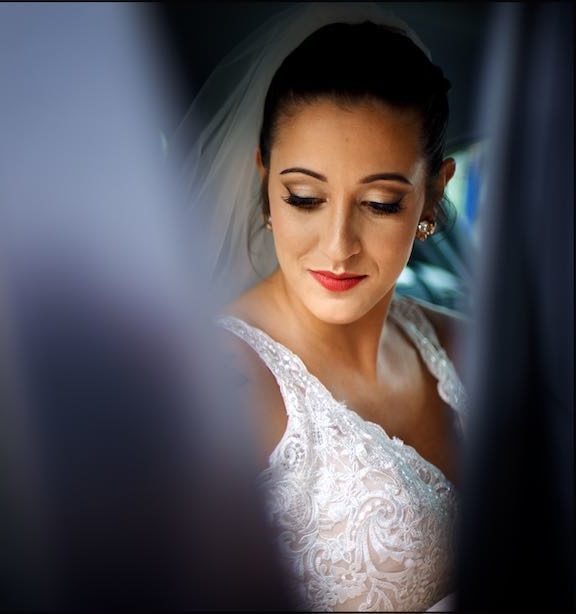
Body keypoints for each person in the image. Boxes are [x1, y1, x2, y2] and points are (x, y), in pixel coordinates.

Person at [176, 4, 469, 611]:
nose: (338, 246)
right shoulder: (219, 385)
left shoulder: (462, 344)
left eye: (381, 203)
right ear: (265, 184)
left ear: (433, 195)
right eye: (305, 197)